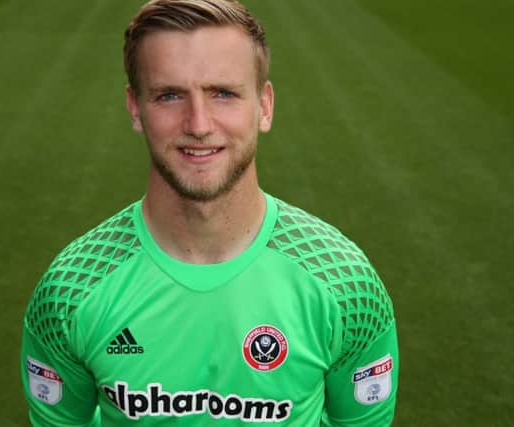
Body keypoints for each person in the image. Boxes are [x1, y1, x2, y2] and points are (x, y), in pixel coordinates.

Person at [20, 0, 399, 425]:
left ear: (265, 106)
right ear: (135, 108)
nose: (198, 124)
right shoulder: (72, 288)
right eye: (169, 95)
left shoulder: (343, 281)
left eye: (223, 93)